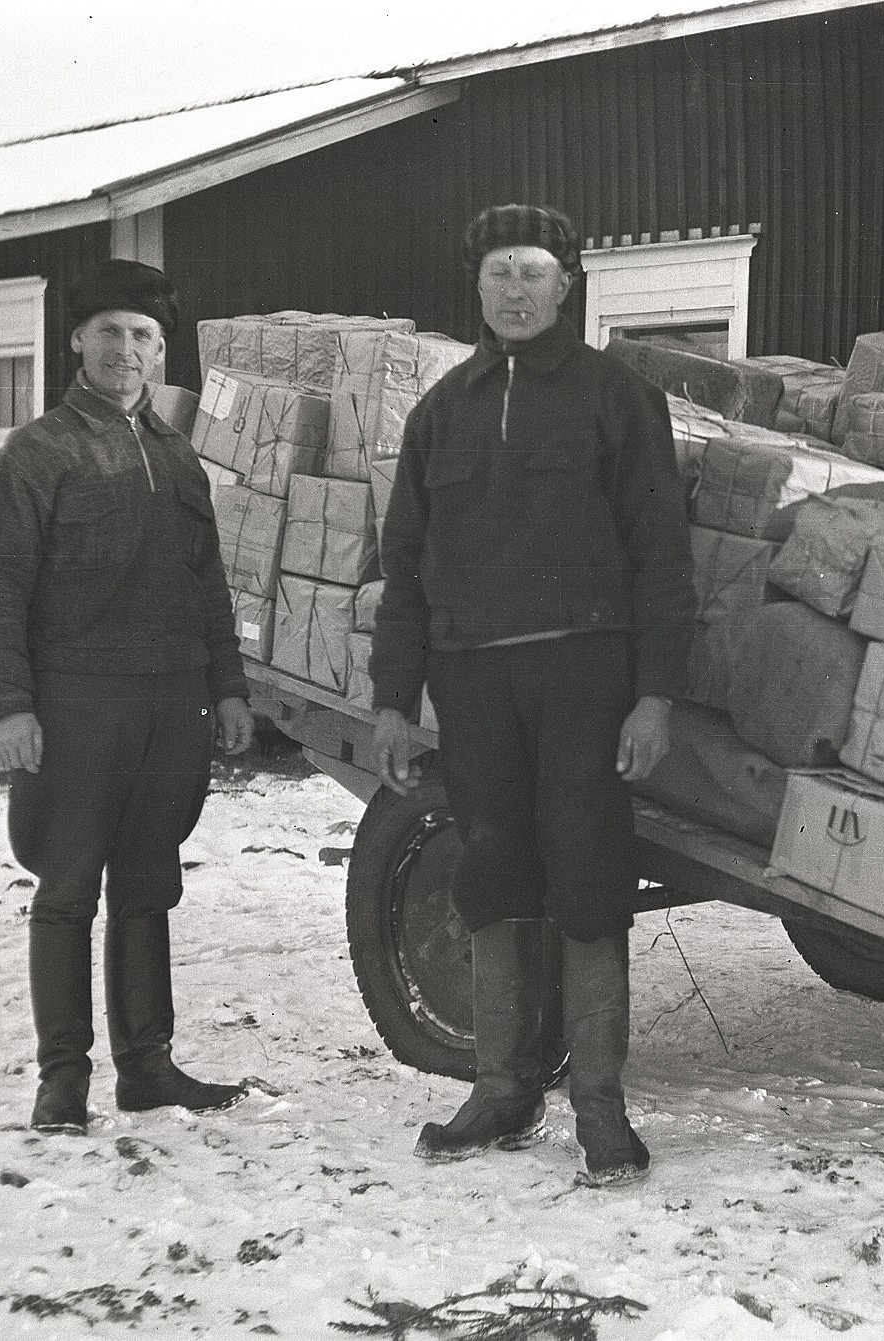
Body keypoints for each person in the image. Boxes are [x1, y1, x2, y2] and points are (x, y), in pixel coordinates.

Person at [368, 204, 696, 1187]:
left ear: (565, 288)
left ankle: (599, 1108)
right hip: (472, 681)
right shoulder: (442, 410)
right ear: (477, 287)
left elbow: (660, 555)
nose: (514, 291)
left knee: (589, 878)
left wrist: (654, 697)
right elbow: (404, 564)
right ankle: (501, 1089)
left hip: (583, 677)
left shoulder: (615, 398)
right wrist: (392, 699)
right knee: (492, 874)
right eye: (499, 274)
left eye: (533, 274)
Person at [0, 259, 254, 1135]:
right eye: (111, 333)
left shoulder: (178, 458)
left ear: (160, 351)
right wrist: (11, 705)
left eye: (143, 337)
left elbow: (209, 588)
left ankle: (148, 1064)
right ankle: (64, 1078)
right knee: (66, 890)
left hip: (171, 708)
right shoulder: (37, 452)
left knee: (148, 884)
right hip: (75, 705)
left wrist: (229, 687)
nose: (126, 350)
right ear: (77, 341)